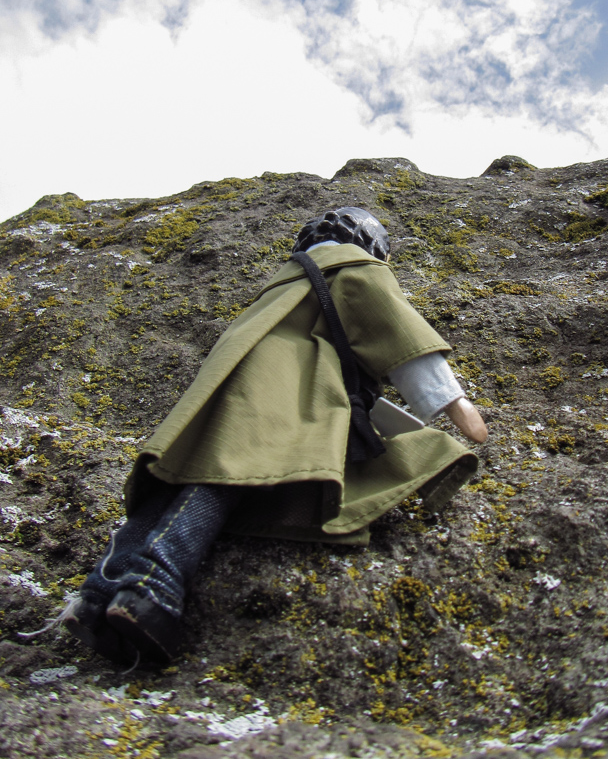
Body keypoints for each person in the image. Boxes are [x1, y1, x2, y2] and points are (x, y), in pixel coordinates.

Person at [61, 208, 487, 666]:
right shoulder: (352, 265)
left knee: (186, 470)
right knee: (226, 472)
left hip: (231, 381)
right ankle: (151, 586)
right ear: (367, 242)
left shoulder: (283, 281)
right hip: (282, 384)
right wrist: (451, 401)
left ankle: (97, 593)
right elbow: (389, 322)